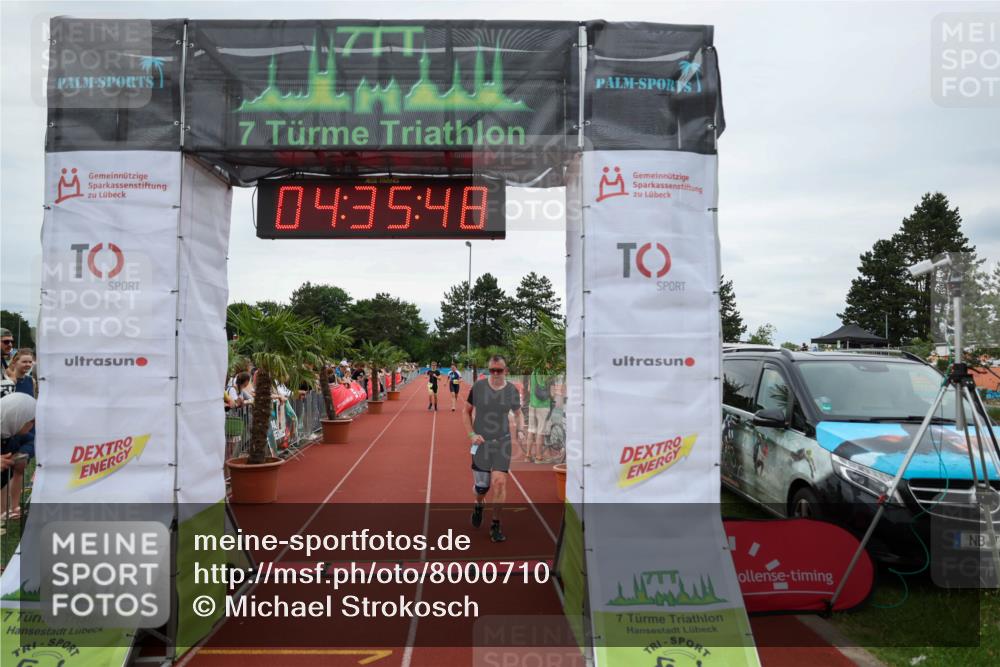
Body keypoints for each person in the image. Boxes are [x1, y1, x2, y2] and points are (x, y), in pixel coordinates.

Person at [462, 354, 524, 543]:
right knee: (482, 488)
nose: (495, 374)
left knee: (499, 482)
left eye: (499, 370)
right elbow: (466, 411)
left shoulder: (511, 390)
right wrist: (472, 435)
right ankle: (478, 504)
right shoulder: (479, 387)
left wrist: (520, 430)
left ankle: (495, 525)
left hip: (502, 442)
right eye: (492, 370)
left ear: (506, 371)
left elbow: (518, 413)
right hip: (481, 444)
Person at [1, 393, 36, 528]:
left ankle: (4, 511)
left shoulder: (11, 433)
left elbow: (32, 440)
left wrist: (23, 453)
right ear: (16, 417)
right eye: (30, 421)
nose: (32, 425)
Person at [526, 365, 554, 463]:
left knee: (531, 430)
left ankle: (528, 456)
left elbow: (529, 389)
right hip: (543, 406)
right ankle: (538, 457)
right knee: (540, 432)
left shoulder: (533, 372)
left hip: (532, 405)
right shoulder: (549, 374)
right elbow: (552, 393)